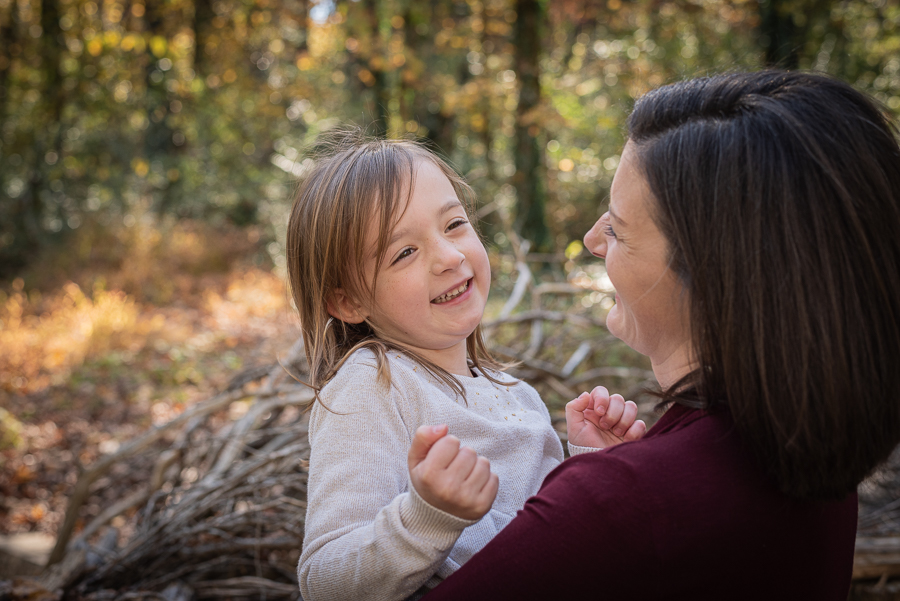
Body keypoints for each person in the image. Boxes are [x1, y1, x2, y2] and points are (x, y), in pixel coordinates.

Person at [422, 70, 900, 600]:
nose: (591, 238)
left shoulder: (619, 505)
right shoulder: (812, 452)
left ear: (712, 274)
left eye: (619, 230)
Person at [285, 135, 646, 601]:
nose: (450, 257)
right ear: (348, 300)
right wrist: (427, 518)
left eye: (454, 224)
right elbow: (325, 581)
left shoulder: (516, 393)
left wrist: (592, 463)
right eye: (404, 253)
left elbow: (554, 544)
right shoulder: (372, 386)